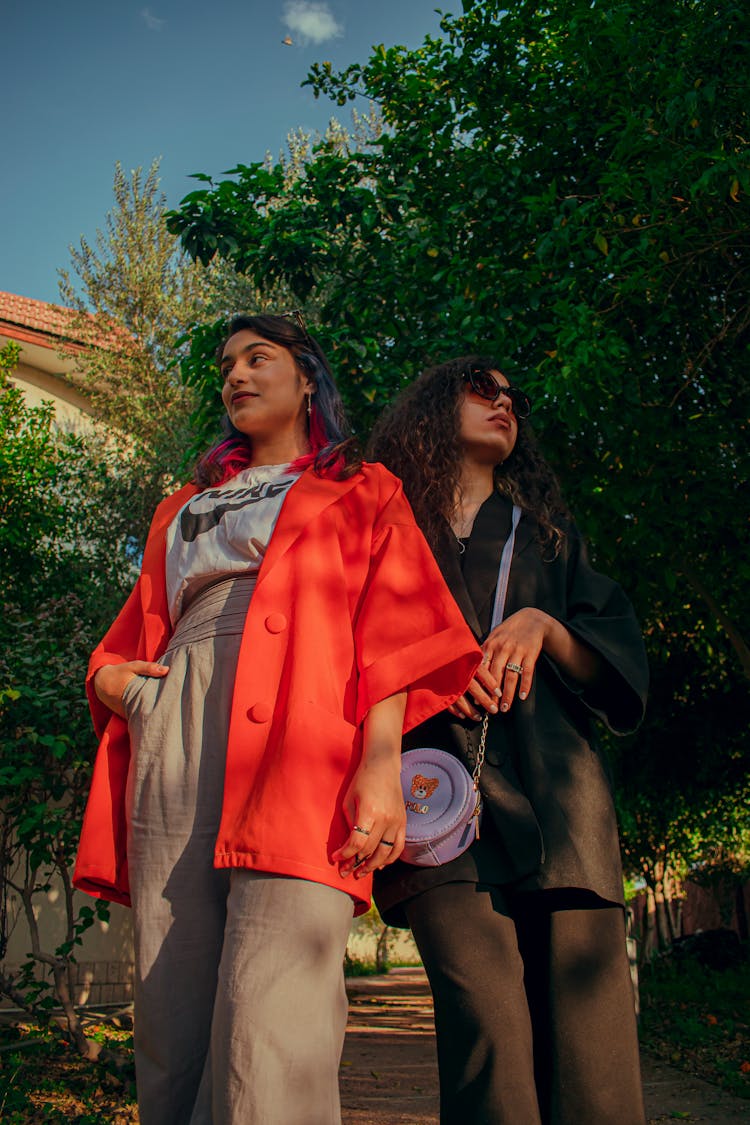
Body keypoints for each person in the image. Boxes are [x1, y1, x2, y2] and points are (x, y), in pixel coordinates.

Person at [73, 315, 481, 1125]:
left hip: (307, 723)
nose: (235, 376)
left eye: (259, 359)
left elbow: (392, 627)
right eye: (226, 365)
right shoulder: (182, 505)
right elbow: (134, 628)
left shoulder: (363, 486)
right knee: (171, 998)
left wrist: (379, 763)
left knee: (273, 1013)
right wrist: (115, 680)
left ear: (307, 380)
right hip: (179, 721)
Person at [369, 355, 650, 1125]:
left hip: (562, 809)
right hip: (436, 802)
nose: (503, 402)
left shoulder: (552, 539)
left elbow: (617, 660)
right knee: (486, 1029)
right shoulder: (393, 538)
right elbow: (355, 652)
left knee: (589, 1057)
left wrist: (546, 626)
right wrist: (433, 673)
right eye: (480, 388)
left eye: (512, 397)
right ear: (432, 409)